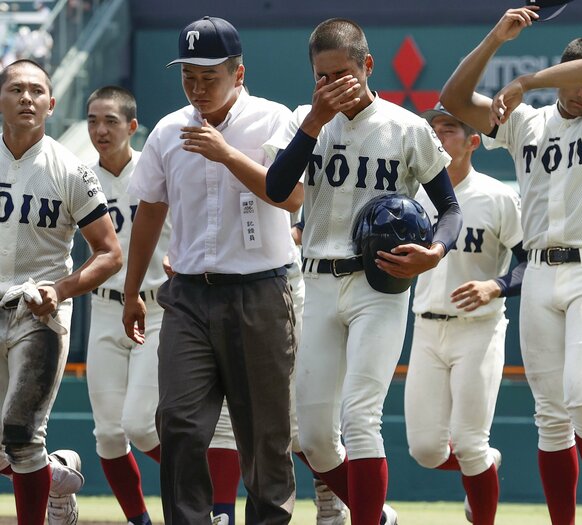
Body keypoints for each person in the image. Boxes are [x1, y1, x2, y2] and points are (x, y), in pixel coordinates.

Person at [440, 6, 582, 525]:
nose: (581, 94)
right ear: (559, 81)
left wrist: (523, 79)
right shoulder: (527, 122)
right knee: (550, 418)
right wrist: (495, 41)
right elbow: (453, 100)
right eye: (571, 82)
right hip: (541, 271)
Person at [265, 18, 462, 525]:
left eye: (344, 73)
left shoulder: (406, 126)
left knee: (360, 416)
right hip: (318, 278)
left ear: (367, 65)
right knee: (310, 435)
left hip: (381, 282)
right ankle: (377, 515)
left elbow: (450, 210)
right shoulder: (303, 121)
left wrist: (436, 253)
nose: (333, 85)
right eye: (323, 76)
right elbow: (276, 187)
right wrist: (313, 120)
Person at [122, 16, 301, 525]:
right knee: (177, 422)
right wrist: (134, 291)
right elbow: (150, 211)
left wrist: (225, 155)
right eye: (188, 76)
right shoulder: (166, 130)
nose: (197, 87)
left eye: (209, 76)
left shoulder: (272, 119)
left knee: (264, 434)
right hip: (188, 297)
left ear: (238, 74)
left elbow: (291, 196)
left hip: (261, 293)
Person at [85, 85, 241, 525]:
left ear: (133, 127)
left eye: (111, 121)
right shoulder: (78, 176)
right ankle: (140, 520)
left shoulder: (154, 166)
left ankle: (204, 494)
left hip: (158, 306)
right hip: (103, 309)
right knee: (110, 436)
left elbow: (196, 218)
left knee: (139, 423)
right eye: (93, 120)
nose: (100, 129)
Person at [0, 59, 121, 525]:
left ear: (51, 103)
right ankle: (59, 476)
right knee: (8, 447)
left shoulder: (72, 169)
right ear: (2, 99)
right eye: (16, 89)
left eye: (36, 91)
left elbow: (110, 252)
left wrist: (61, 290)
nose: (26, 98)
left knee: (22, 435)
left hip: (38, 312)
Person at [404, 103, 525, 525]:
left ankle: (481, 490)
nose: (438, 135)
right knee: (425, 450)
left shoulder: (498, 196)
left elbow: (531, 262)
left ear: (474, 141)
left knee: (471, 443)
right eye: (433, 127)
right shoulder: (413, 195)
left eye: (449, 128)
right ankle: (484, 466)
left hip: (479, 329)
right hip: (426, 327)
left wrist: (497, 285)